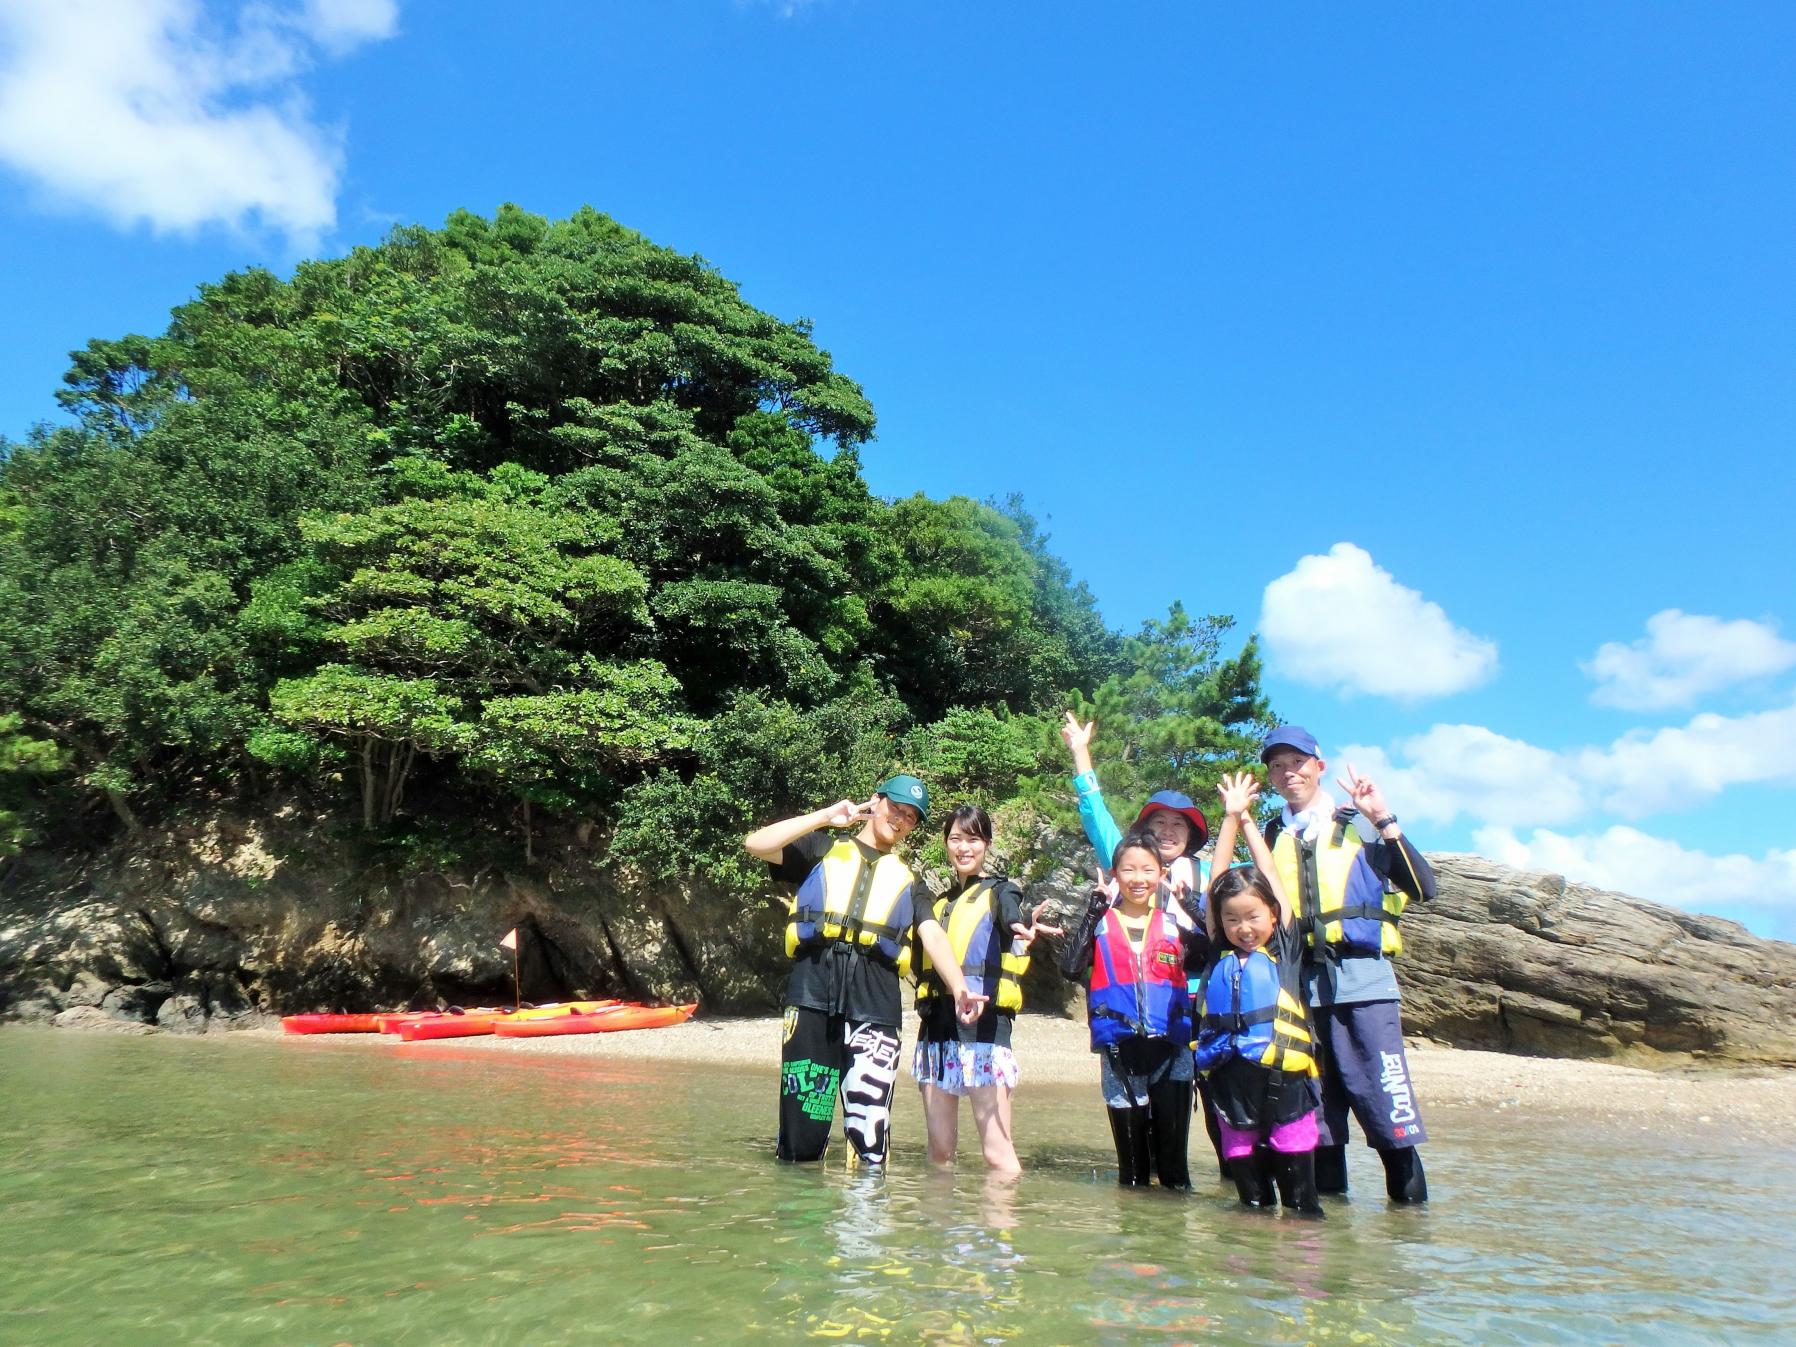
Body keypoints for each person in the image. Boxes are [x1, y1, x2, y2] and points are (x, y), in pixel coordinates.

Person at [744, 775, 982, 1165]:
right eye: (896, 808)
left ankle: (864, 1220)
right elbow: (756, 844)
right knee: (801, 1143)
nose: (901, 819)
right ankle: (800, 1220)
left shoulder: (911, 883)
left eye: (911, 817)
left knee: (869, 1149)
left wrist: (958, 987)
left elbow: (932, 935)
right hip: (811, 999)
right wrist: (824, 816)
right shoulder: (822, 848)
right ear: (876, 801)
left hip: (875, 1011)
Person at [1259, 726, 1436, 1203]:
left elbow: (1423, 889)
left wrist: (1385, 818)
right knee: (1319, 1122)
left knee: (1387, 1112)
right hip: (1300, 990)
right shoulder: (1273, 836)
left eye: (1296, 762)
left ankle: (1409, 1231)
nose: (1287, 772)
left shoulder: (1359, 828)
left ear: (1319, 765)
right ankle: (1333, 1248)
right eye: (1277, 765)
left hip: (1364, 984)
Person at [1059, 711, 1229, 1179]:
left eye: (1179, 824)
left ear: (1193, 834)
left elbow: (1228, 933)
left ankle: (1230, 1181)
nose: (1169, 830)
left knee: (1211, 1112)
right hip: (1133, 1013)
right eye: (1159, 822)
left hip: (1194, 1005)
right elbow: (1097, 816)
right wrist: (1081, 754)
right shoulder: (1127, 864)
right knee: (1143, 1135)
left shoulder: (1210, 871)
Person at [1194, 771, 1324, 1216]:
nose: (1243, 928)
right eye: (1233, 920)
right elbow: (1216, 883)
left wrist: (1246, 821)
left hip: (1287, 1089)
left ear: (1272, 914)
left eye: (1253, 917)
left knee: (1302, 1207)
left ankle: (1302, 1273)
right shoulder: (1219, 951)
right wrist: (1227, 821)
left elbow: (1269, 875)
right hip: (1232, 1094)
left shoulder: (1282, 948)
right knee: (1252, 1207)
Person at [912, 804, 1063, 1177]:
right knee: (940, 1153)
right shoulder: (939, 904)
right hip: (937, 1030)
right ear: (946, 844)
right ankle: (940, 1232)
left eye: (974, 839)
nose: (964, 847)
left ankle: (998, 1233)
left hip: (984, 1029)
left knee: (997, 1154)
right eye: (956, 839)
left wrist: (1021, 927)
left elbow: (1012, 915)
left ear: (987, 844)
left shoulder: (1001, 892)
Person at [1059, 828, 1198, 1189]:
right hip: (1121, 1052)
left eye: (1148, 870)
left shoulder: (1175, 924)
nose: (1138, 879)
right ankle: (1135, 1236)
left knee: (1175, 1174)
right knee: (1133, 1175)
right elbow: (1071, 967)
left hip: (1171, 1052)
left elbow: (1211, 952)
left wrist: (1192, 906)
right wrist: (1093, 910)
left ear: (1161, 875)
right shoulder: (1102, 922)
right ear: (1115, 874)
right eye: (1129, 870)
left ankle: (1171, 1236)